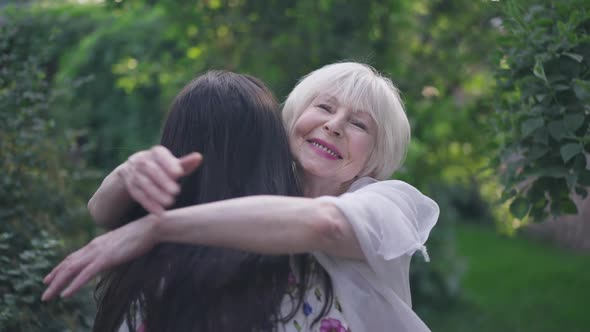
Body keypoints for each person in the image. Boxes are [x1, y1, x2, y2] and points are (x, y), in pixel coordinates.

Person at [43, 62, 440, 332]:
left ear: (376, 155)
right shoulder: (262, 192)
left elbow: (325, 224)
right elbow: (101, 211)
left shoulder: (389, 201)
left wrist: (157, 227)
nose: (334, 125)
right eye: (323, 107)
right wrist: (130, 173)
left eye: (359, 124)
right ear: (293, 118)